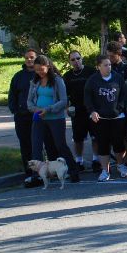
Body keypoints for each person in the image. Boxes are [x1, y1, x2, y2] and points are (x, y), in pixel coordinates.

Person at [26, 55, 82, 183]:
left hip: (55, 118)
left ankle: (73, 170)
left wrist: (49, 109)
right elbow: (29, 101)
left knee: (60, 145)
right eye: (37, 70)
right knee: (36, 146)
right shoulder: (34, 81)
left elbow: (63, 101)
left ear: (48, 66)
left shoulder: (57, 80)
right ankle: (36, 175)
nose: (39, 72)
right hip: (39, 118)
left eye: (41, 69)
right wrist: (36, 109)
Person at [84, 54, 127, 182]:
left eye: (109, 64)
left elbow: (124, 95)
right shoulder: (92, 80)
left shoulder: (117, 78)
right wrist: (92, 111)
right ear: (98, 66)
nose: (108, 67)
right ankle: (105, 170)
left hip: (117, 117)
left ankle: (121, 166)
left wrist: (119, 108)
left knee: (119, 143)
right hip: (101, 118)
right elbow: (88, 98)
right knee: (103, 144)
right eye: (105, 65)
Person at [9, 48, 42, 186]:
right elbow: (12, 95)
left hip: (38, 115)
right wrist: (15, 110)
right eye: (27, 57)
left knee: (37, 145)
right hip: (22, 117)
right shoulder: (18, 76)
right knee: (25, 146)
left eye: (32, 57)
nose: (29, 60)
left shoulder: (41, 75)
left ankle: (41, 172)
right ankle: (29, 173)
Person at [63, 50, 97, 172]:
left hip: (92, 109)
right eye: (73, 59)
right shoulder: (67, 76)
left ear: (81, 58)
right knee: (78, 138)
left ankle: (96, 160)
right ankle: (79, 161)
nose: (76, 61)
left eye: (78, 58)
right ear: (69, 62)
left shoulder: (91, 71)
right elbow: (65, 95)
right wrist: (67, 107)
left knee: (95, 136)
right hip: (77, 111)